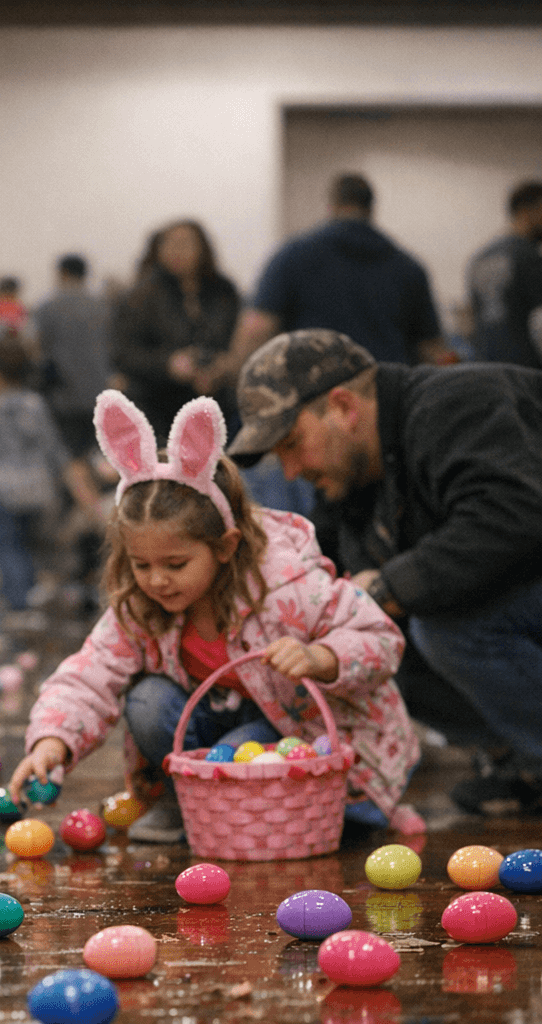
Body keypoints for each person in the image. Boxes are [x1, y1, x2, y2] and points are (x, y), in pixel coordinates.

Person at [9, 389, 419, 844]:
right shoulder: (142, 608)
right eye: (141, 565)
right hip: (221, 729)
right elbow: (89, 674)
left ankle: (256, 809)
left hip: (308, 737)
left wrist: (320, 657)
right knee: (147, 702)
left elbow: (380, 637)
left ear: (224, 546)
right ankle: (184, 803)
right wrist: (52, 742)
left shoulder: (286, 588)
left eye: (176, 564)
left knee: (233, 749)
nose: (157, 581)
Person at [228, 329, 542, 816]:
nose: (289, 471)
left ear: (344, 408)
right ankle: (515, 754)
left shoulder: (459, 405)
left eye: (292, 443)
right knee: (364, 646)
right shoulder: (352, 479)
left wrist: (388, 587)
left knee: (443, 629)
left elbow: (513, 516)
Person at [208, 173, 444, 386]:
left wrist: (233, 374)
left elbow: (257, 329)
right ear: (371, 208)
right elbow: (431, 348)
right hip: (383, 394)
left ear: (332, 206)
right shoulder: (407, 266)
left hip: (314, 396)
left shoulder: (293, 255)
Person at [0, 337, 69, 614]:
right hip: (40, 492)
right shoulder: (35, 404)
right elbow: (55, 450)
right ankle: (33, 602)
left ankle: (19, 609)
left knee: (7, 552)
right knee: (31, 552)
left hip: (1, 493)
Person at [111, 220, 239, 439]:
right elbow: (122, 354)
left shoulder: (224, 292)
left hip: (215, 403)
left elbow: (237, 339)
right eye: (169, 244)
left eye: (185, 244)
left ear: (202, 248)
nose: (176, 251)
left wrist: (222, 366)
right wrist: (168, 364)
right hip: (158, 406)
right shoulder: (140, 297)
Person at [35, 254, 113, 456]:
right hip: (100, 390)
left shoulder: (47, 307)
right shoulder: (103, 307)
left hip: (64, 394)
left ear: (63, 273)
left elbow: (38, 348)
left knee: (72, 455)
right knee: (100, 453)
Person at [466, 180, 542, 369]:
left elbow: (470, 321)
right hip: (524, 369)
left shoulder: (479, 258)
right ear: (527, 211)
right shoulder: (527, 255)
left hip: (485, 366)